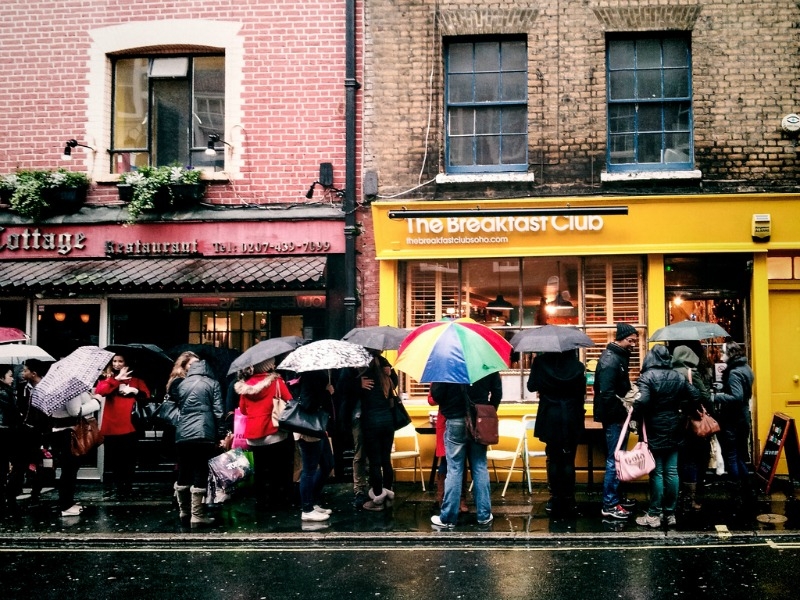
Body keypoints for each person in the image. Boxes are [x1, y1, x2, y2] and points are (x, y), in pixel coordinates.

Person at [632, 345, 700, 528]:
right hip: (675, 427)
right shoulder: (678, 376)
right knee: (672, 471)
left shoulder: (647, 377)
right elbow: (695, 395)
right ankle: (670, 514)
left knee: (657, 472)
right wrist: (682, 409)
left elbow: (643, 400)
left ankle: (654, 514)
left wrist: (634, 414)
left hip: (654, 427)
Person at [430, 371, 502, 529]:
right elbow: (497, 392)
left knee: (454, 468)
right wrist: (488, 410)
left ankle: (448, 517)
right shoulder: (486, 361)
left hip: (454, 419)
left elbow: (436, 395)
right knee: (480, 466)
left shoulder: (447, 363)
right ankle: (484, 515)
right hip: (479, 420)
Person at [527, 350, 586, 517]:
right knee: (568, 459)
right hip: (571, 415)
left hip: (550, 415)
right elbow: (581, 392)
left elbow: (531, 386)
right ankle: (569, 499)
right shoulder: (577, 367)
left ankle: (554, 499)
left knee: (553, 457)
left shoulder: (541, 363)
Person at [342, 349, 398, 512]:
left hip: (371, 422)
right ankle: (388, 495)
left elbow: (346, 389)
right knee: (385, 459)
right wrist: (390, 372)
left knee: (374, 461)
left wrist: (357, 384)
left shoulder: (367, 376)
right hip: (387, 421)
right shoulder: (384, 374)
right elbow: (394, 385)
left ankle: (378, 498)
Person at [235, 358, 295, 511]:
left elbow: (243, 410)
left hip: (254, 436)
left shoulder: (245, 386)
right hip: (273, 431)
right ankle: (278, 500)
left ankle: (262, 501)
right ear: (267, 366)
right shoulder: (276, 382)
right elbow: (289, 400)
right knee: (278, 468)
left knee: (261, 470)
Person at [593, 322, 639, 520]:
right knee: (614, 460)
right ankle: (610, 504)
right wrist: (621, 416)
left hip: (618, 416)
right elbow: (607, 394)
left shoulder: (617, 357)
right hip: (615, 418)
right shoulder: (611, 361)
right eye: (631, 340)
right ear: (621, 338)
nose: (634, 345)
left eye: (635, 341)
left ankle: (617, 498)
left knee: (618, 458)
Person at [172, 358, 224, 527]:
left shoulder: (182, 384)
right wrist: (220, 434)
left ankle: (184, 512)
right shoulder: (213, 383)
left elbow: (177, 406)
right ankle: (197, 515)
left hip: (182, 432)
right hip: (204, 431)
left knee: (184, 469)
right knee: (200, 470)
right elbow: (218, 411)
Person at [95, 353, 151, 498]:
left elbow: (147, 396)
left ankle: (127, 485)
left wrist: (135, 391)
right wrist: (116, 380)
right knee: (115, 459)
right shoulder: (109, 379)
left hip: (129, 424)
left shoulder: (136, 380)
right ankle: (119, 486)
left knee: (129, 458)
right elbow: (101, 391)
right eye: (114, 361)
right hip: (112, 425)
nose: (117, 364)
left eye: (120, 361)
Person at [670, 344, 713, 512]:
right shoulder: (690, 373)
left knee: (681, 459)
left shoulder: (671, 373)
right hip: (693, 422)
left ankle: (681, 495)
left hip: (676, 422)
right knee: (695, 459)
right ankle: (693, 499)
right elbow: (704, 397)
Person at [49, 391, 102, 517]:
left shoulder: (64, 387)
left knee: (70, 470)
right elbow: (74, 411)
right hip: (69, 433)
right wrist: (96, 402)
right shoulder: (70, 389)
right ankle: (66, 505)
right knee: (69, 470)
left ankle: (68, 502)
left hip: (63, 432)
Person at [713, 341, 755, 498]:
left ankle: (736, 488)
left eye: (723, 352)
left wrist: (716, 396)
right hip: (743, 417)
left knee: (731, 454)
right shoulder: (746, 368)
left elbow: (737, 396)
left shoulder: (734, 372)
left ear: (730, 354)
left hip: (733, 418)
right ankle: (746, 486)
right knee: (739, 453)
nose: (721, 355)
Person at [9, 358, 52, 509]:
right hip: (24, 431)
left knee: (41, 464)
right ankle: (12, 495)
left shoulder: (46, 388)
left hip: (40, 431)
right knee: (20, 464)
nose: (22, 373)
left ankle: (36, 493)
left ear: (34, 373)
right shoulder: (21, 388)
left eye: (25, 370)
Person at [295, 368, 336, 523]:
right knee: (309, 470)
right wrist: (326, 392)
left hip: (318, 428)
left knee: (328, 464)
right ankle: (307, 509)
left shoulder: (319, 376)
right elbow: (307, 404)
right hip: (309, 430)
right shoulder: (309, 376)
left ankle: (313, 501)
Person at [0, 364, 21, 516]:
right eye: (10, 375)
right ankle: (8, 501)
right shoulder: (4, 393)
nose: (13, 378)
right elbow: (12, 413)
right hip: (5, 433)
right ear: (1, 377)